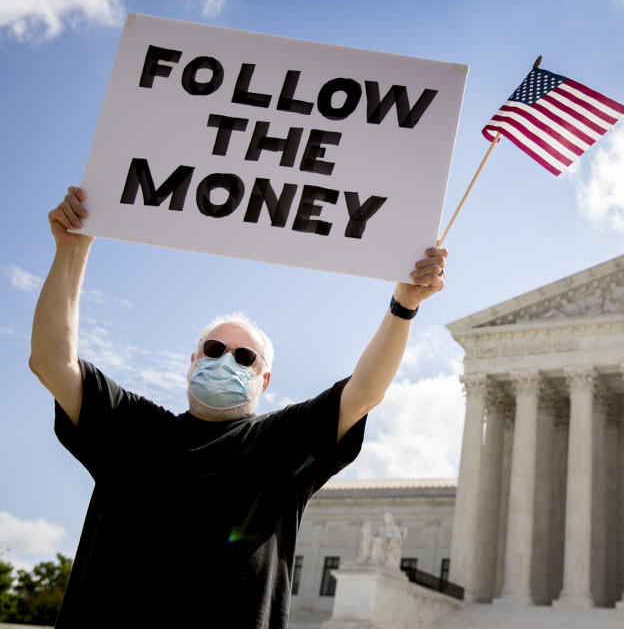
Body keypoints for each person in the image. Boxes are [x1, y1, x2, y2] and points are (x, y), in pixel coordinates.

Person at [29, 186, 448, 628]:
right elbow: (51, 363)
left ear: (263, 379)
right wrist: (71, 252)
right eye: (213, 349)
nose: (225, 360)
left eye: (244, 357)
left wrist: (404, 306)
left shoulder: (280, 443)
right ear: (193, 361)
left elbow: (364, 392)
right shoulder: (133, 429)